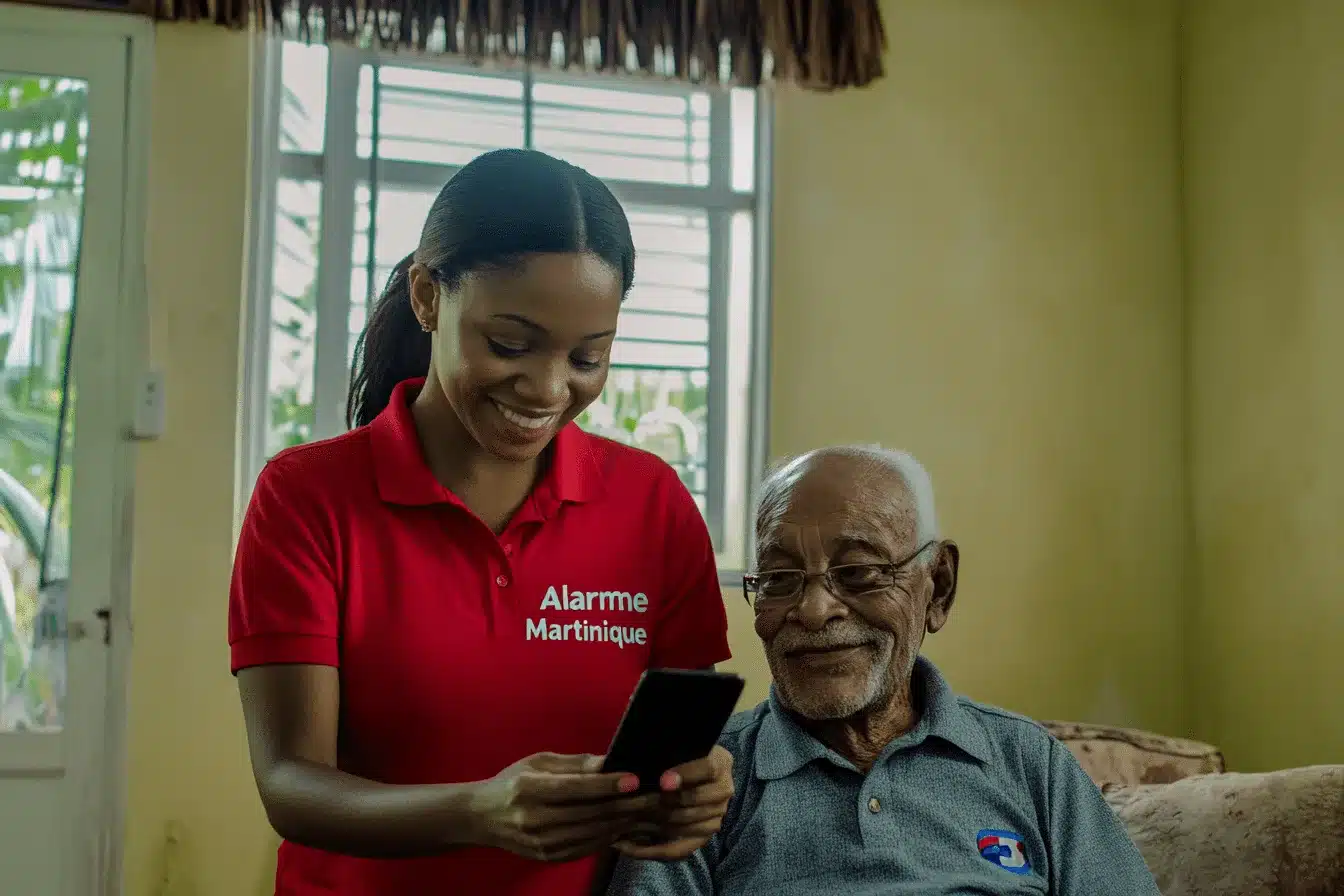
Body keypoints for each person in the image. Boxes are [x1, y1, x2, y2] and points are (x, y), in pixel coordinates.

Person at [228, 148, 735, 896]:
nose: (548, 387)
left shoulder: (652, 505)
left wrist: (698, 790)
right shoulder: (308, 497)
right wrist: (478, 812)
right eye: (510, 345)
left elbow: (679, 754)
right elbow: (291, 784)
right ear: (429, 297)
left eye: (588, 357)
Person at [608, 446, 1163, 895]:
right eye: (779, 578)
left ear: (937, 587)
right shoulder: (708, 780)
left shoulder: (1028, 764)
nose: (814, 610)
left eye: (860, 572)